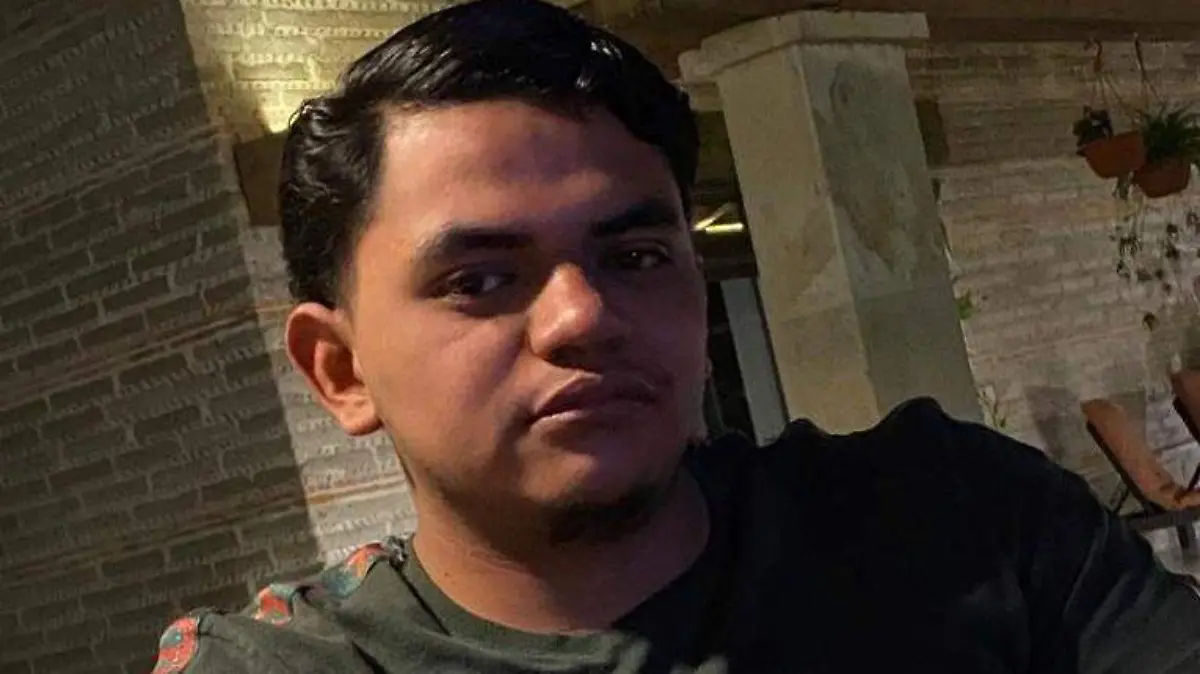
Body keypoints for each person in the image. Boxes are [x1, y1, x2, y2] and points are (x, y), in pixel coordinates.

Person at [152, 0, 1200, 671]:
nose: (583, 314)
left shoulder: (957, 518)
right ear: (340, 370)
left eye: (637, 255)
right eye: (480, 279)